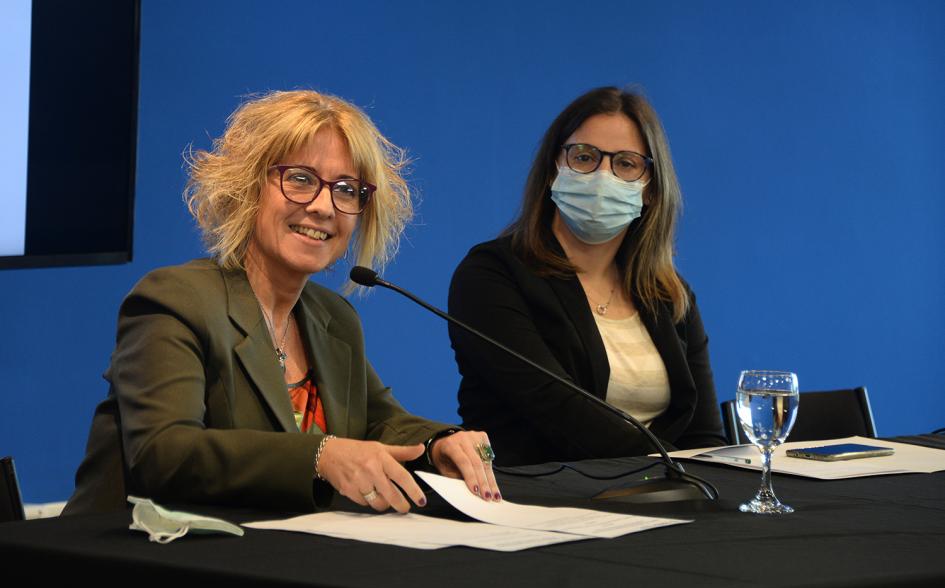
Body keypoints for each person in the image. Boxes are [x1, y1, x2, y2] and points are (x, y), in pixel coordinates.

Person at [64, 90, 500, 516]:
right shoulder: (176, 300)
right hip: (130, 566)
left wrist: (439, 443)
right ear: (247, 187)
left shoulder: (332, 317)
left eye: (346, 190)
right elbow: (165, 455)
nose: (324, 206)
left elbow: (380, 423)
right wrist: (320, 456)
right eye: (301, 180)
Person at [448, 86, 726, 466]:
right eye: (584, 157)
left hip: (662, 496)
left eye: (626, 163)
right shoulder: (491, 276)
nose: (602, 176)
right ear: (552, 171)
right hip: (536, 502)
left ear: (650, 189)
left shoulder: (668, 294)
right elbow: (559, 413)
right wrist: (677, 469)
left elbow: (704, 434)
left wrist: (698, 481)